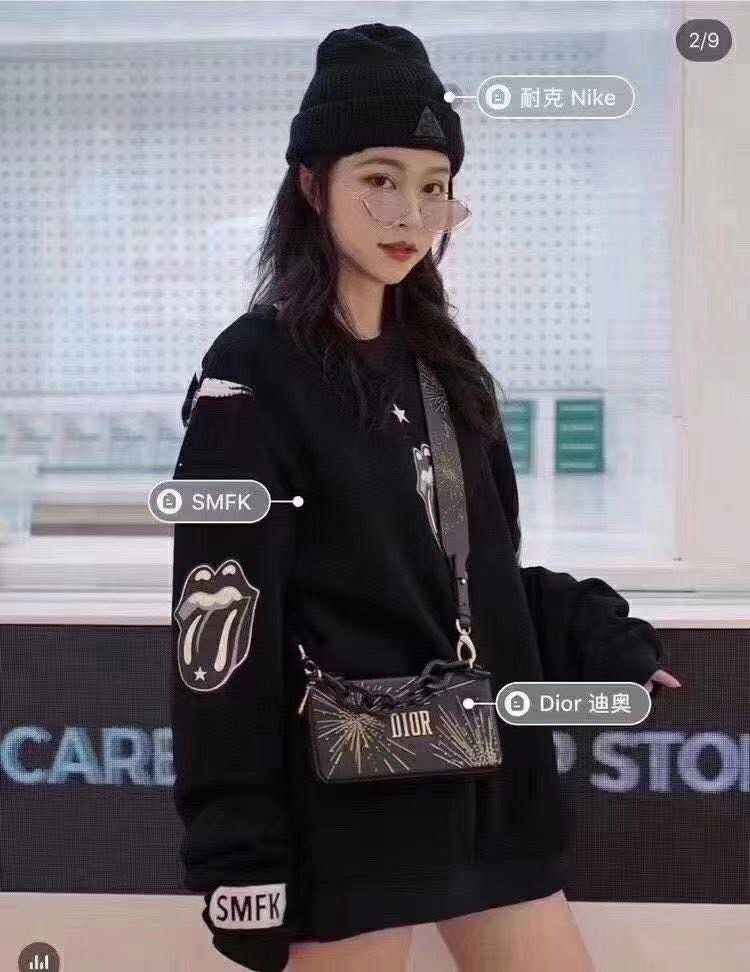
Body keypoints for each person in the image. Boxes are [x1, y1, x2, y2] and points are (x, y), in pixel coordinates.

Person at [170, 22, 681, 972]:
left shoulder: (448, 370)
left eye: (435, 185)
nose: (410, 213)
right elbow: (220, 630)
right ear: (312, 186)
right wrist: (238, 851)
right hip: (349, 807)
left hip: (486, 789)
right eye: (379, 178)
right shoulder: (252, 373)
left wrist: (587, 629)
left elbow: (472, 575)